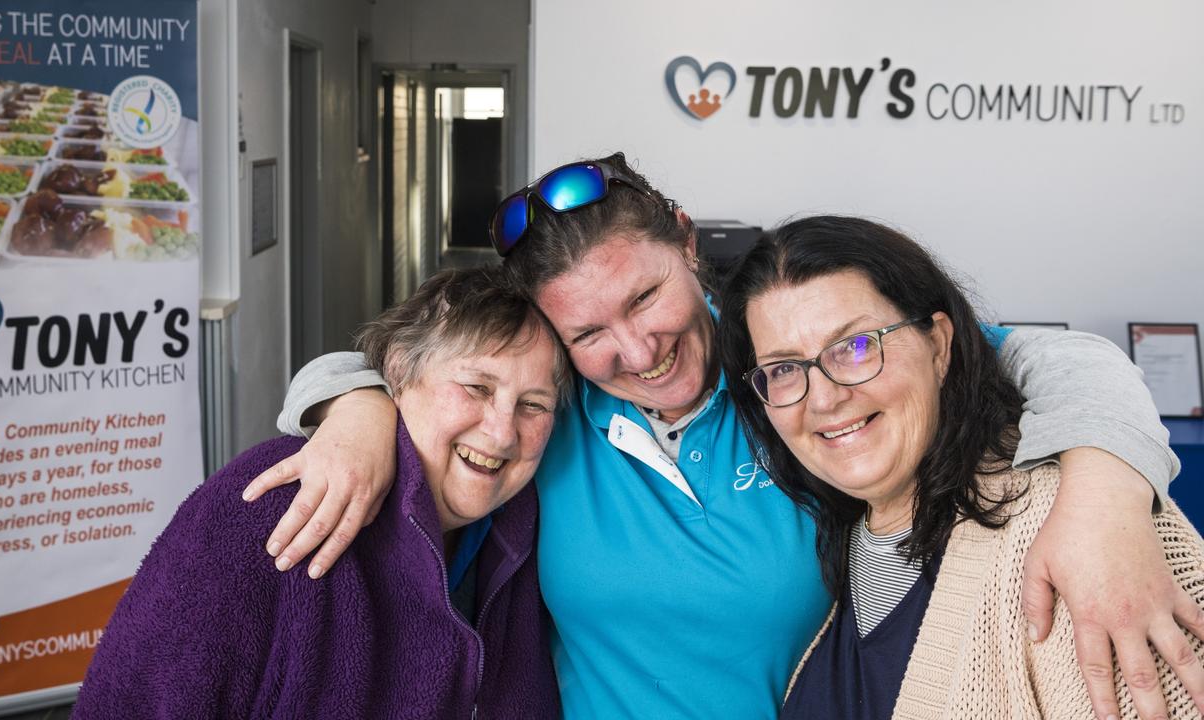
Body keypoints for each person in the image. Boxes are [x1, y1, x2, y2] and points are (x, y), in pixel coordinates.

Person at [246, 153, 1190, 719]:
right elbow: (398, 373)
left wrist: (1109, 496)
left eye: (646, 296)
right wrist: (356, 412)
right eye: (587, 334)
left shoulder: (794, 363)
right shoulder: (546, 412)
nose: (635, 348)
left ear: (688, 245)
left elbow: (1055, 361)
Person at [717, 215, 1204, 719]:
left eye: (856, 346)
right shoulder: (839, 537)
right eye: (783, 369)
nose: (824, 399)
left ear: (939, 345)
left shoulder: (1082, 529)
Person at [73, 268, 566, 719]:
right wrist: (357, 404)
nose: (503, 432)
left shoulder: (529, 532)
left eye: (533, 404)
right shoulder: (266, 509)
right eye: (477, 388)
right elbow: (131, 699)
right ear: (398, 370)